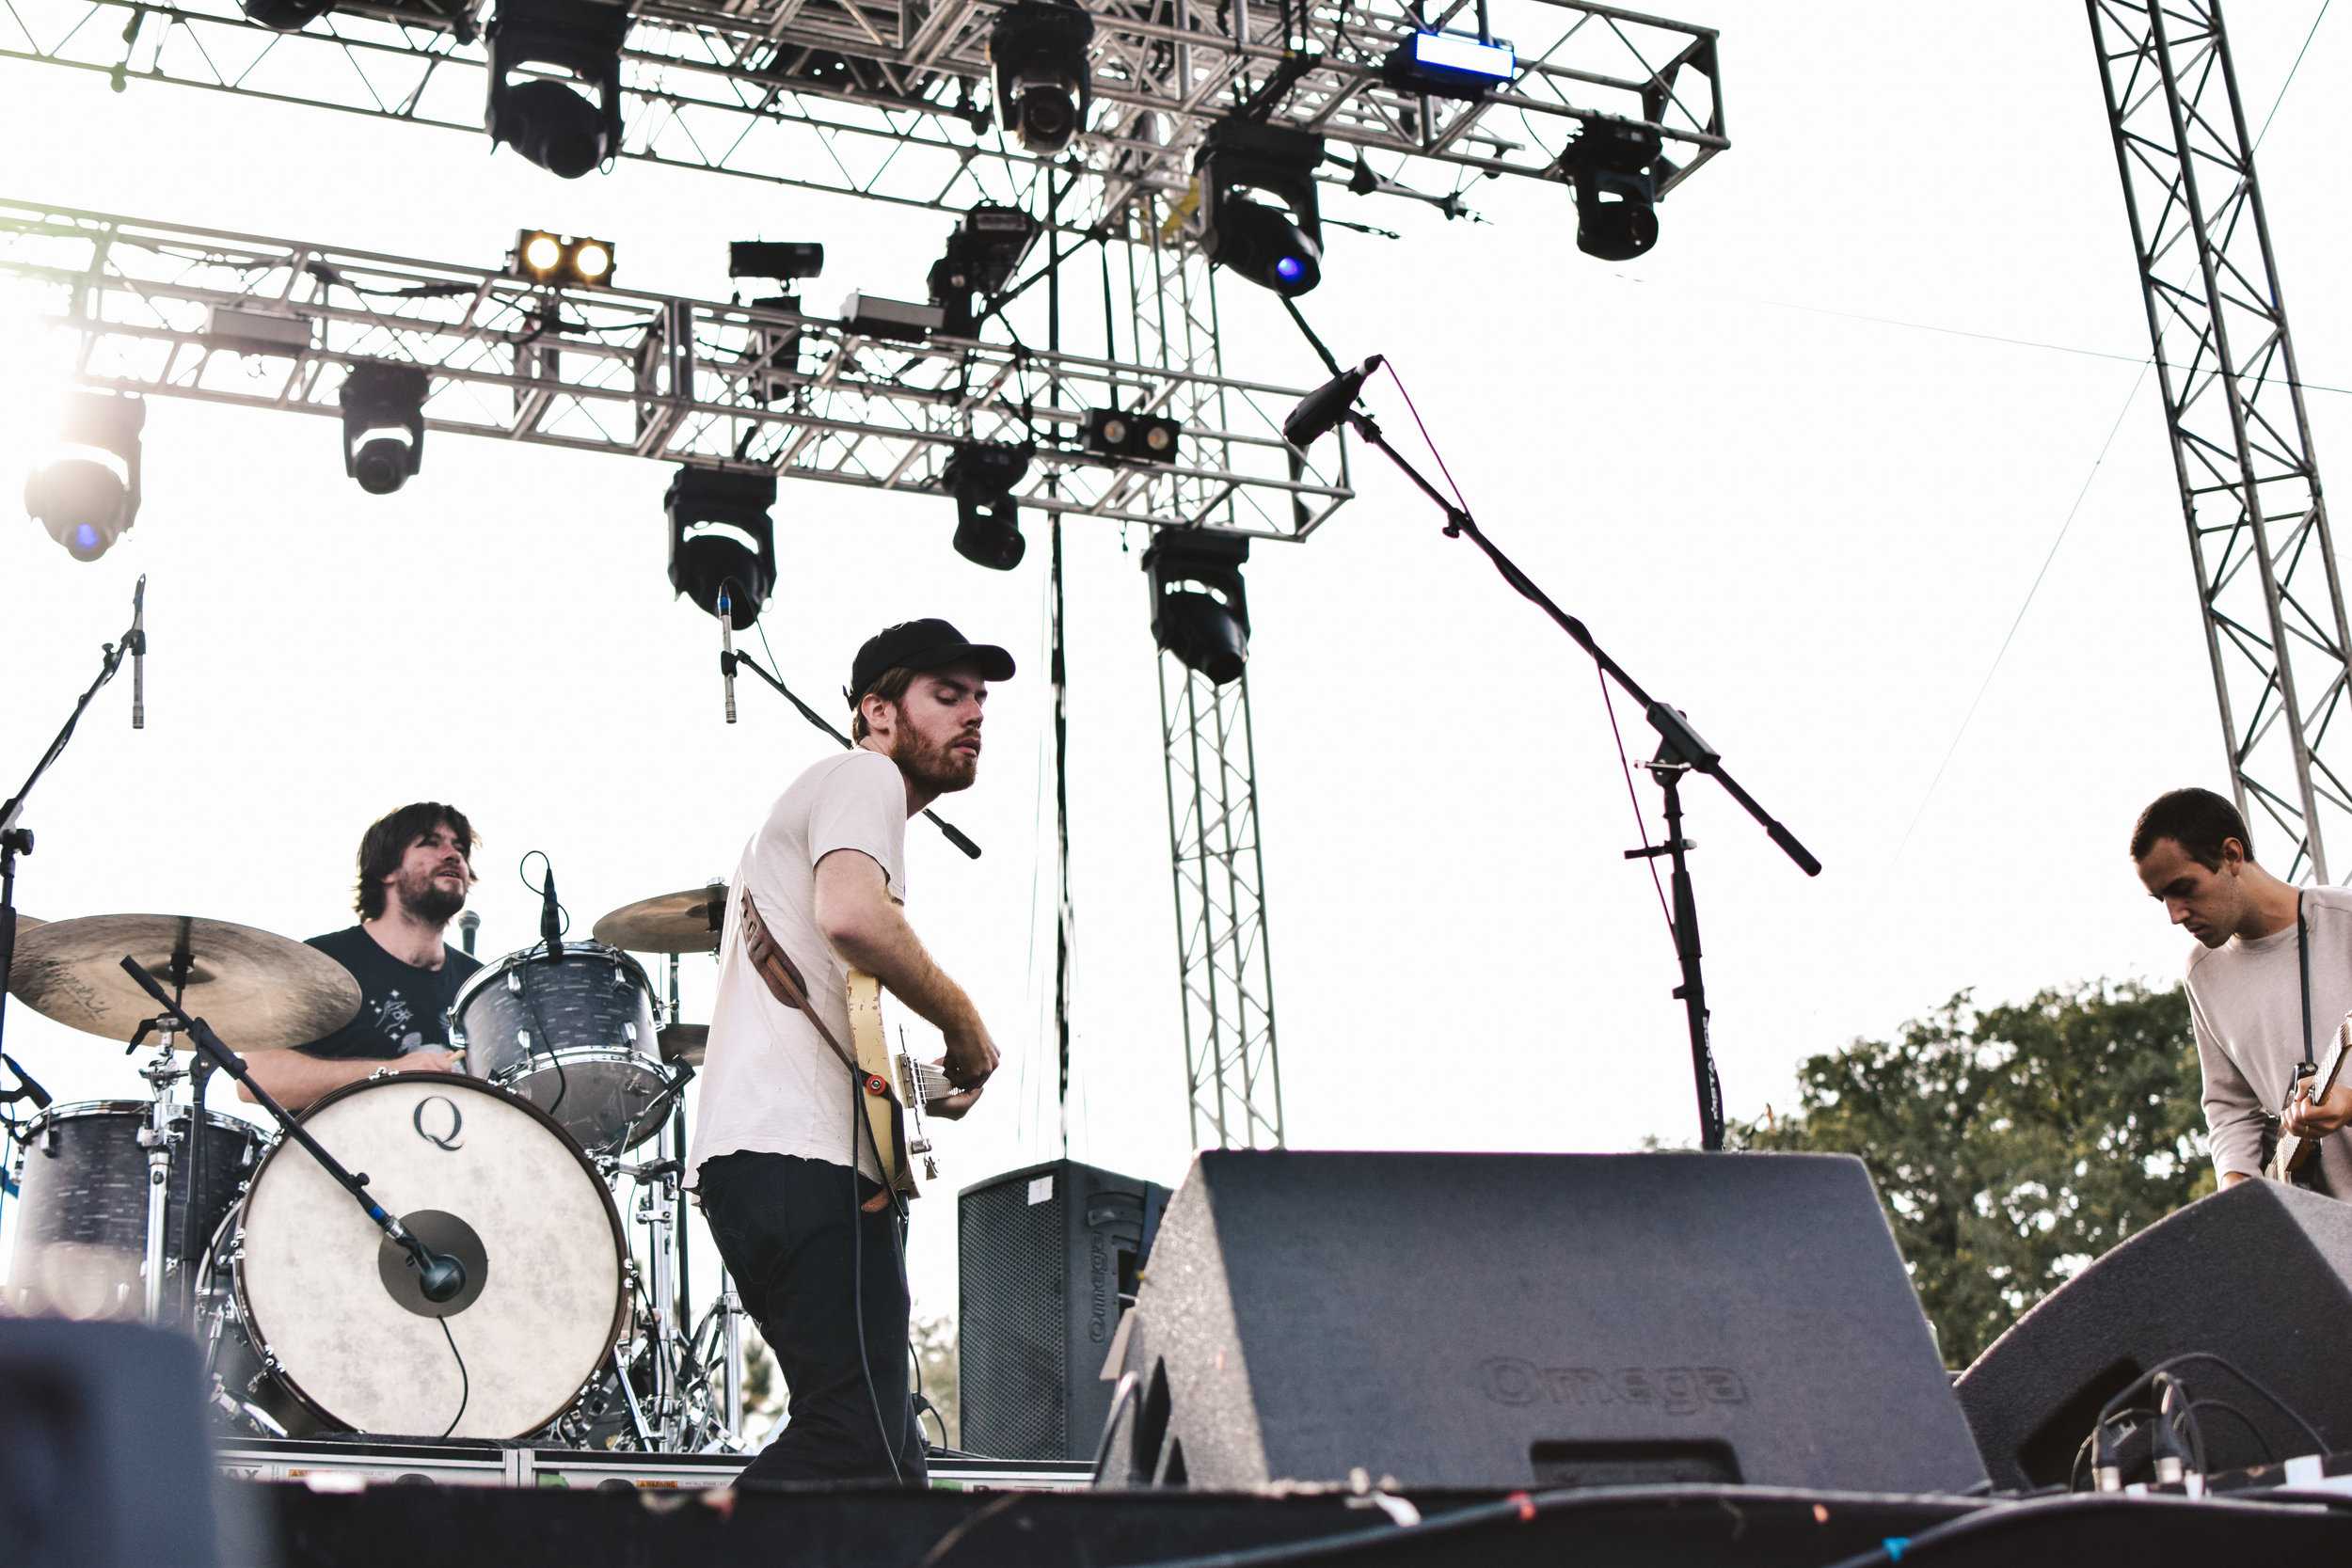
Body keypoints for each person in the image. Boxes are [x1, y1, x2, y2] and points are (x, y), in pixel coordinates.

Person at [690, 618, 1009, 1486]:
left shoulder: (838, 802)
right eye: (947, 695)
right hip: (801, 1162)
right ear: (877, 710)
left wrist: (916, 1087)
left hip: (784, 1163)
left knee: (897, 1471)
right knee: (855, 1441)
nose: (973, 714)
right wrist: (964, 1021)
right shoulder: (863, 773)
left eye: (980, 699)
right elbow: (854, 917)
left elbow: (840, 1001)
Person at [2132, 786, 2352, 1196]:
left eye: (2184, 888)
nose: (2175, 915)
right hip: (2322, 1242)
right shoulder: (2202, 972)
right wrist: (2236, 1199)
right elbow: (2229, 1108)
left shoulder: (2346, 923)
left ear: (2231, 855)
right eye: (2161, 898)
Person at [240, 802, 484, 1112]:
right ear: (387, 871)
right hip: (337, 1157)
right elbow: (258, 1078)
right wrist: (390, 1074)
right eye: (430, 843)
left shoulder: (477, 984)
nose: (452, 854)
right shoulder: (321, 962)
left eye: (459, 847)